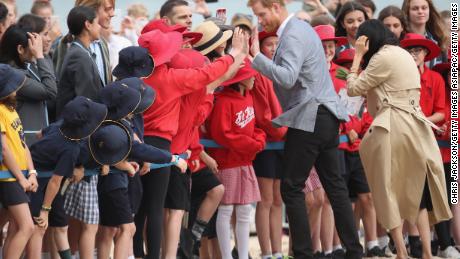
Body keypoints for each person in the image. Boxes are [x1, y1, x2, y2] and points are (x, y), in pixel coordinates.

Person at [247, 0, 363, 258]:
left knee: (291, 187)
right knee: (335, 186)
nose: (260, 21)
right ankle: (354, 251)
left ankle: (302, 253)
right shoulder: (302, 28)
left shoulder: (293, 33)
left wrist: (254, 56)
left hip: (310, 115)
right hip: (326, 116)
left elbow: (287, 77)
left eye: (261, 14)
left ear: (276, 7)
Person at [346, 19, 452, 259]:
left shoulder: (381, 57)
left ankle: (402, 253)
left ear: (368, 40)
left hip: (393, 126)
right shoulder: (403, 54)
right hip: (416, 126)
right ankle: (426, 251)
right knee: (418, 194)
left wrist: (357, 57)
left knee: (387, 190)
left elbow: (353, 88)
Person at [137, 27, 247, 259]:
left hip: (141, 144)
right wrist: (236, 53)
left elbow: (217, 78)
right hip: (170, 151)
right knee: (163, 210)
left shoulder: (140, 78)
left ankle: (142, 254)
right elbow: (215, 77)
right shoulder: (175, 81)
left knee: (143, 210)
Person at [26, 96, 107, 259]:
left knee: (62, 226)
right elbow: (55, 182)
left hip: (51, 186)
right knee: (39, 226)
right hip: (38, 183)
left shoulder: (60, 126)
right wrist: (45, 210)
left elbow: (39, 134)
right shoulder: (70, 149)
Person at [208, 61, 265, 259]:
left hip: (245, 162)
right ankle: (226, 256)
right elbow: (221, 133)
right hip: (228, 162)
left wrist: (258, 139)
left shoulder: (248, 96)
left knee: (244, 211)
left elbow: (255, 126)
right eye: (250, 75)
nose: (254, 78)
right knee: (225, 210)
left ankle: (242, 255)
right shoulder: (223, 101)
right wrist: (251, 143)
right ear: (240, 80)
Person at [252, 30, 286, 259]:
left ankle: (277, 251)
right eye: (268, 44)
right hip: (268, 143)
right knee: (265, 200)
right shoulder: (259, 73)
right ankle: (265, 252)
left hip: (284, 143)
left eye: (277, 44)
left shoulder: (284, 73)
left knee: (278, 200)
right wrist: (284, 130)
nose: (273, 48)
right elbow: (263, 113)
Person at [0, 64, 36, 259]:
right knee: (27, 226)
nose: (16, 89)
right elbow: (4, 149)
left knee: (15, 227)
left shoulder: (11, 110)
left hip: (19, 175)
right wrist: (21, 179)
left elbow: (22, 144)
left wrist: (31, 172)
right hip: (8, 178)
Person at [0, 24, 57, 146]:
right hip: (25, 143)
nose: (35, 49)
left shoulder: (25, 67)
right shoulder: (12, 75)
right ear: (20, 49)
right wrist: (39, 56)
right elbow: (50, 91)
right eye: (31, 46)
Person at [401, 0, 448, 68]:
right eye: (415, 8)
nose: (420, 11)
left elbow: (444, 74)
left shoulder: (439, 41)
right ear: (407, 12)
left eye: (424, 8)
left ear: (429, 10)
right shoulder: (400, 41)